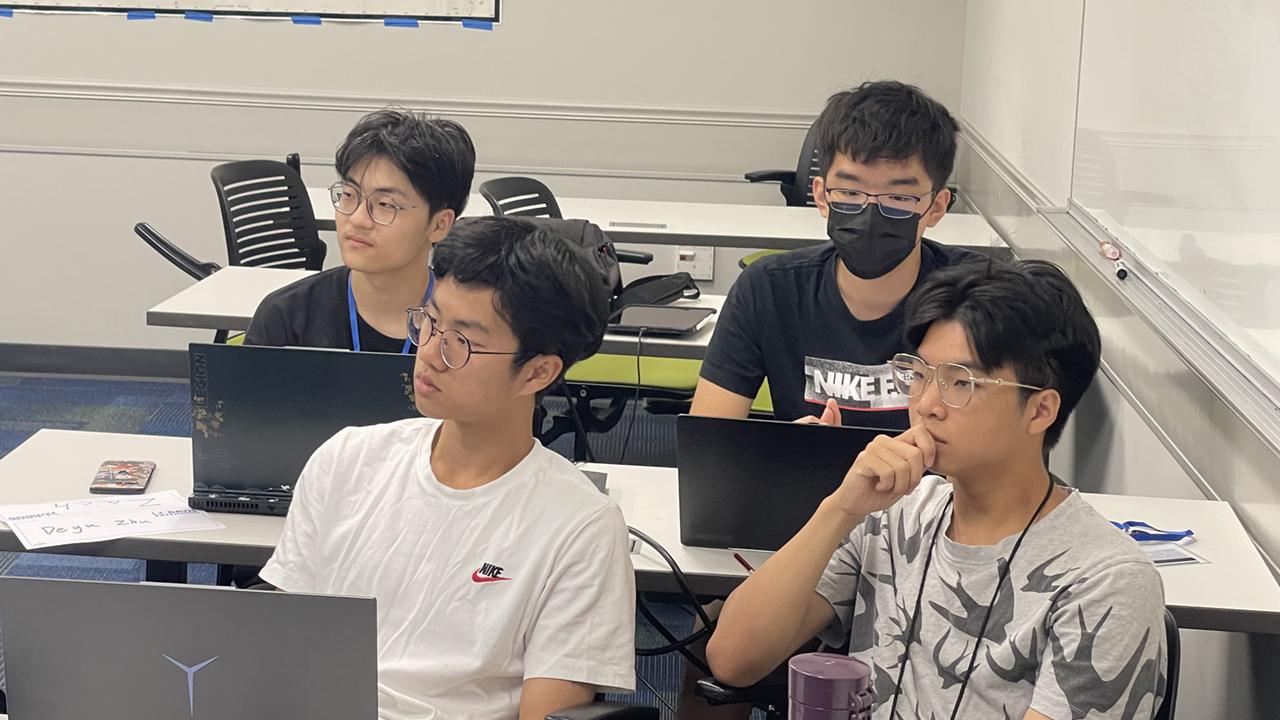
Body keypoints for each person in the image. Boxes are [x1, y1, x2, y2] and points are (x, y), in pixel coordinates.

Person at [706, 259, 1168, 719]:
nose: (926, 404)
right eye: (920, 375)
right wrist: (840, 508)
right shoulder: (893, 514)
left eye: (960, 383)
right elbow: (734, 659)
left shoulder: (1106, 582)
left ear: (1040, 411)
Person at [258, 217, 637, 720]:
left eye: (462, 342)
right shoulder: (348, 459)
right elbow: (273, 653)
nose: (429, 353)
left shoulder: (580, 528)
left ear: (538, 371)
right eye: (429, 322)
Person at [692, 81, 980, 430]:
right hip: (809, 481)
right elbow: (709, 442)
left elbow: (1008, 454)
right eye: (849, 191)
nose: (870, 212)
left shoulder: (978, 297)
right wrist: (784, 452)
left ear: (936, 207)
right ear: (821, 197)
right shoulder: (768, 289)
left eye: (899, 198)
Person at [245, 108, 475, 353]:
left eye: (385, 205)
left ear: (440, 224)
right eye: (348, 195)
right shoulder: (287, 319)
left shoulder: (469, 329)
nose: (357, 219)